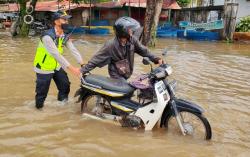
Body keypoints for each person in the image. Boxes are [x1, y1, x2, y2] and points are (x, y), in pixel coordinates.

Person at [81, 17, 163, 80]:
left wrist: (156, 59)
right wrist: (82, 71)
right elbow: (96, 60)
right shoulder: (111, 45)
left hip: (126, 72)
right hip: (116, 74)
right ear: (124, 31)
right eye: (130, 30)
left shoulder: (132, 40)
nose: (132, 31)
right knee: (124, 94)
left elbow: (144, 51)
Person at [33, 11, 83, 109]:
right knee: (41, 94)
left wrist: (82, 63)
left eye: (67, 19)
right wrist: (73, 69)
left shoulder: (64, 34)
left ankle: (62, 107)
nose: (67, 22)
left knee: (65, 86)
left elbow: (73, 49)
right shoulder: (47, 37)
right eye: (64, 19)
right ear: (56, 21)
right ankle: (38, 111)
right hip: (44, 67)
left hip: (56, 66)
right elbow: (56, 55)